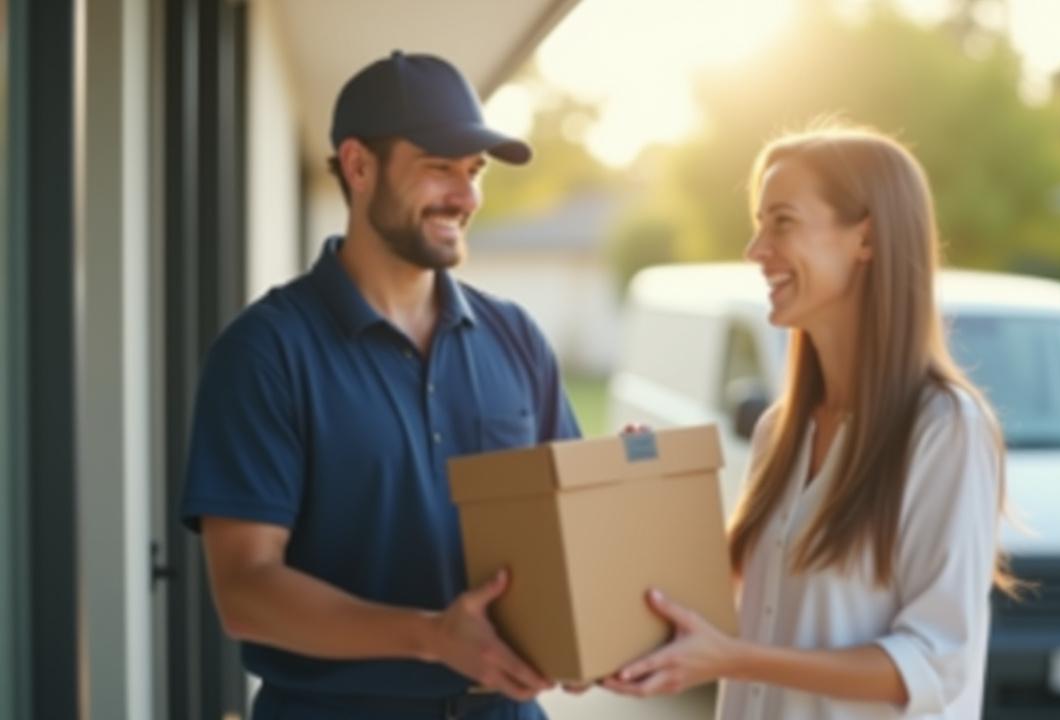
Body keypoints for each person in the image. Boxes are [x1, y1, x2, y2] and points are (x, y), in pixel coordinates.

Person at [181, 51, 578, 720]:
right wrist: (431, 637)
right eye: (438, 168)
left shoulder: (516, 338)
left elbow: (565, 527)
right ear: (359, 166)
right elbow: (245, 591)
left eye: (473, 172)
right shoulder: (265, 352)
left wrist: (623, 490)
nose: (466, 195)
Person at [601, 125, 1012, 719]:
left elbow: (934, 663)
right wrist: (654, 500)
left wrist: (736, 659)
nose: (755, 249)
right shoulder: (780, 430)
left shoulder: (945, 428)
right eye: (759, 223)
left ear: (865, 238)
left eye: (782, 223)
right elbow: (734, 599)